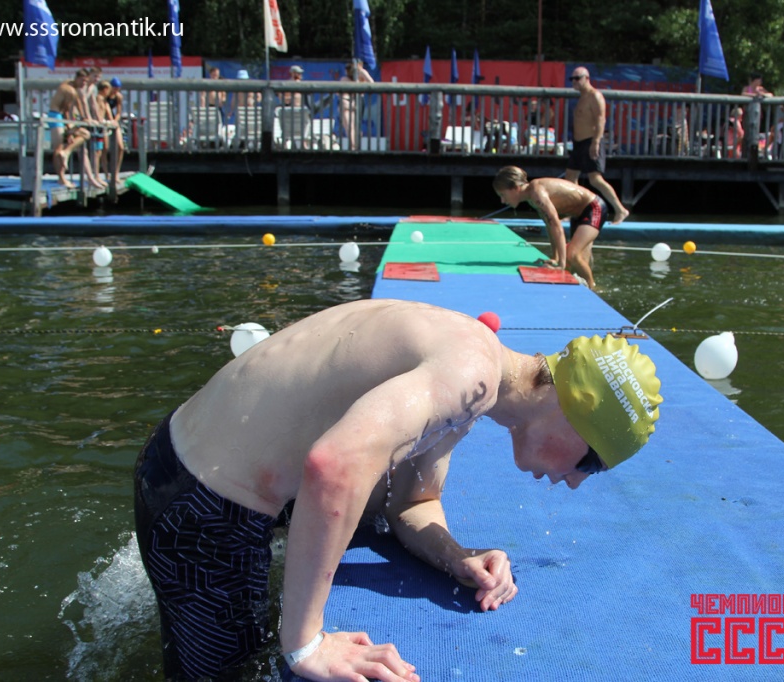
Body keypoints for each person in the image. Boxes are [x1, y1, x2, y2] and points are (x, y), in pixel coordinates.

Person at [134, 298, 662, 681]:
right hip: (203, 507)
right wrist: (305, 643)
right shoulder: (469, 375)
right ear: (575, 412)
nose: (575, 480)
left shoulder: (475, 372)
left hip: (185, 465)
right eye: (591, 464)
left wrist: (457, 557)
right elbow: (334, 466)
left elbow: (412, 501)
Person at [493, 165, 610, 288]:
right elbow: (550, 226)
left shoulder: (537, 193)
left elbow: (557, 226)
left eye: (503, 194)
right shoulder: (531, 198)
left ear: (515, 188)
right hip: (579, 214)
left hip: (594, 208)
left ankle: (593, 288)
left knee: (572, 254)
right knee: (577, 260)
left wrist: (561, 264)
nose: (502, 201)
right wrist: (555, 257)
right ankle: (587, 284)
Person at [565, 67, 627, 224]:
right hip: (578, 144)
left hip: (590, 141)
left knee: (595, 179)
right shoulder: (582, 97)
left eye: (577, 78)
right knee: (570, 177)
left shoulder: (595, 96)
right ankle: (575, 211)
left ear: (587, 78)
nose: (574, 82)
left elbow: (601, 120)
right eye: (572, 79)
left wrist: (596, 142)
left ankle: (620, 209)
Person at [340, 59, 374, 150]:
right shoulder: (344, 79)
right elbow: (339, 93)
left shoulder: (362, 73)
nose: (350, 70)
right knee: (349, 126)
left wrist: (362, 74)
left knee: (356, 126)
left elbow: (372, 84)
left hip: (358, 101)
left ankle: (356, 146)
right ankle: (353, 146)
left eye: (352, 67)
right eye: (348, 68)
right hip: (347, 102)